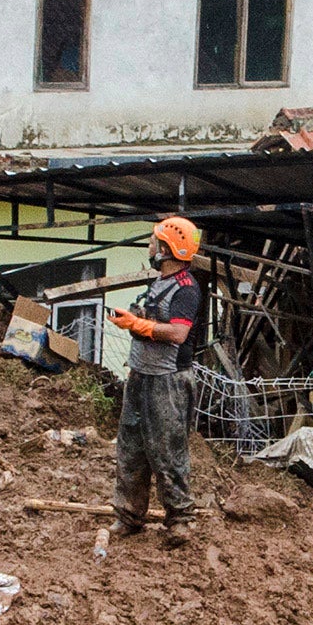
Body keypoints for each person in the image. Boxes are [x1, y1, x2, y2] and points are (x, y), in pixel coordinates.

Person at [105, 214, 205, 544]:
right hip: (141, 376)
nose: (151, 245)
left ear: (167, 248)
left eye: (155, 241)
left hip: (168, 381)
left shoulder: (187, 289)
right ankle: (129, 517)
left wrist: (138, 325)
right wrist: (134, 319)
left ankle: (179, 521)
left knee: (169, 451)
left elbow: (178, 332)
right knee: (131, 448)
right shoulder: (158, 284)